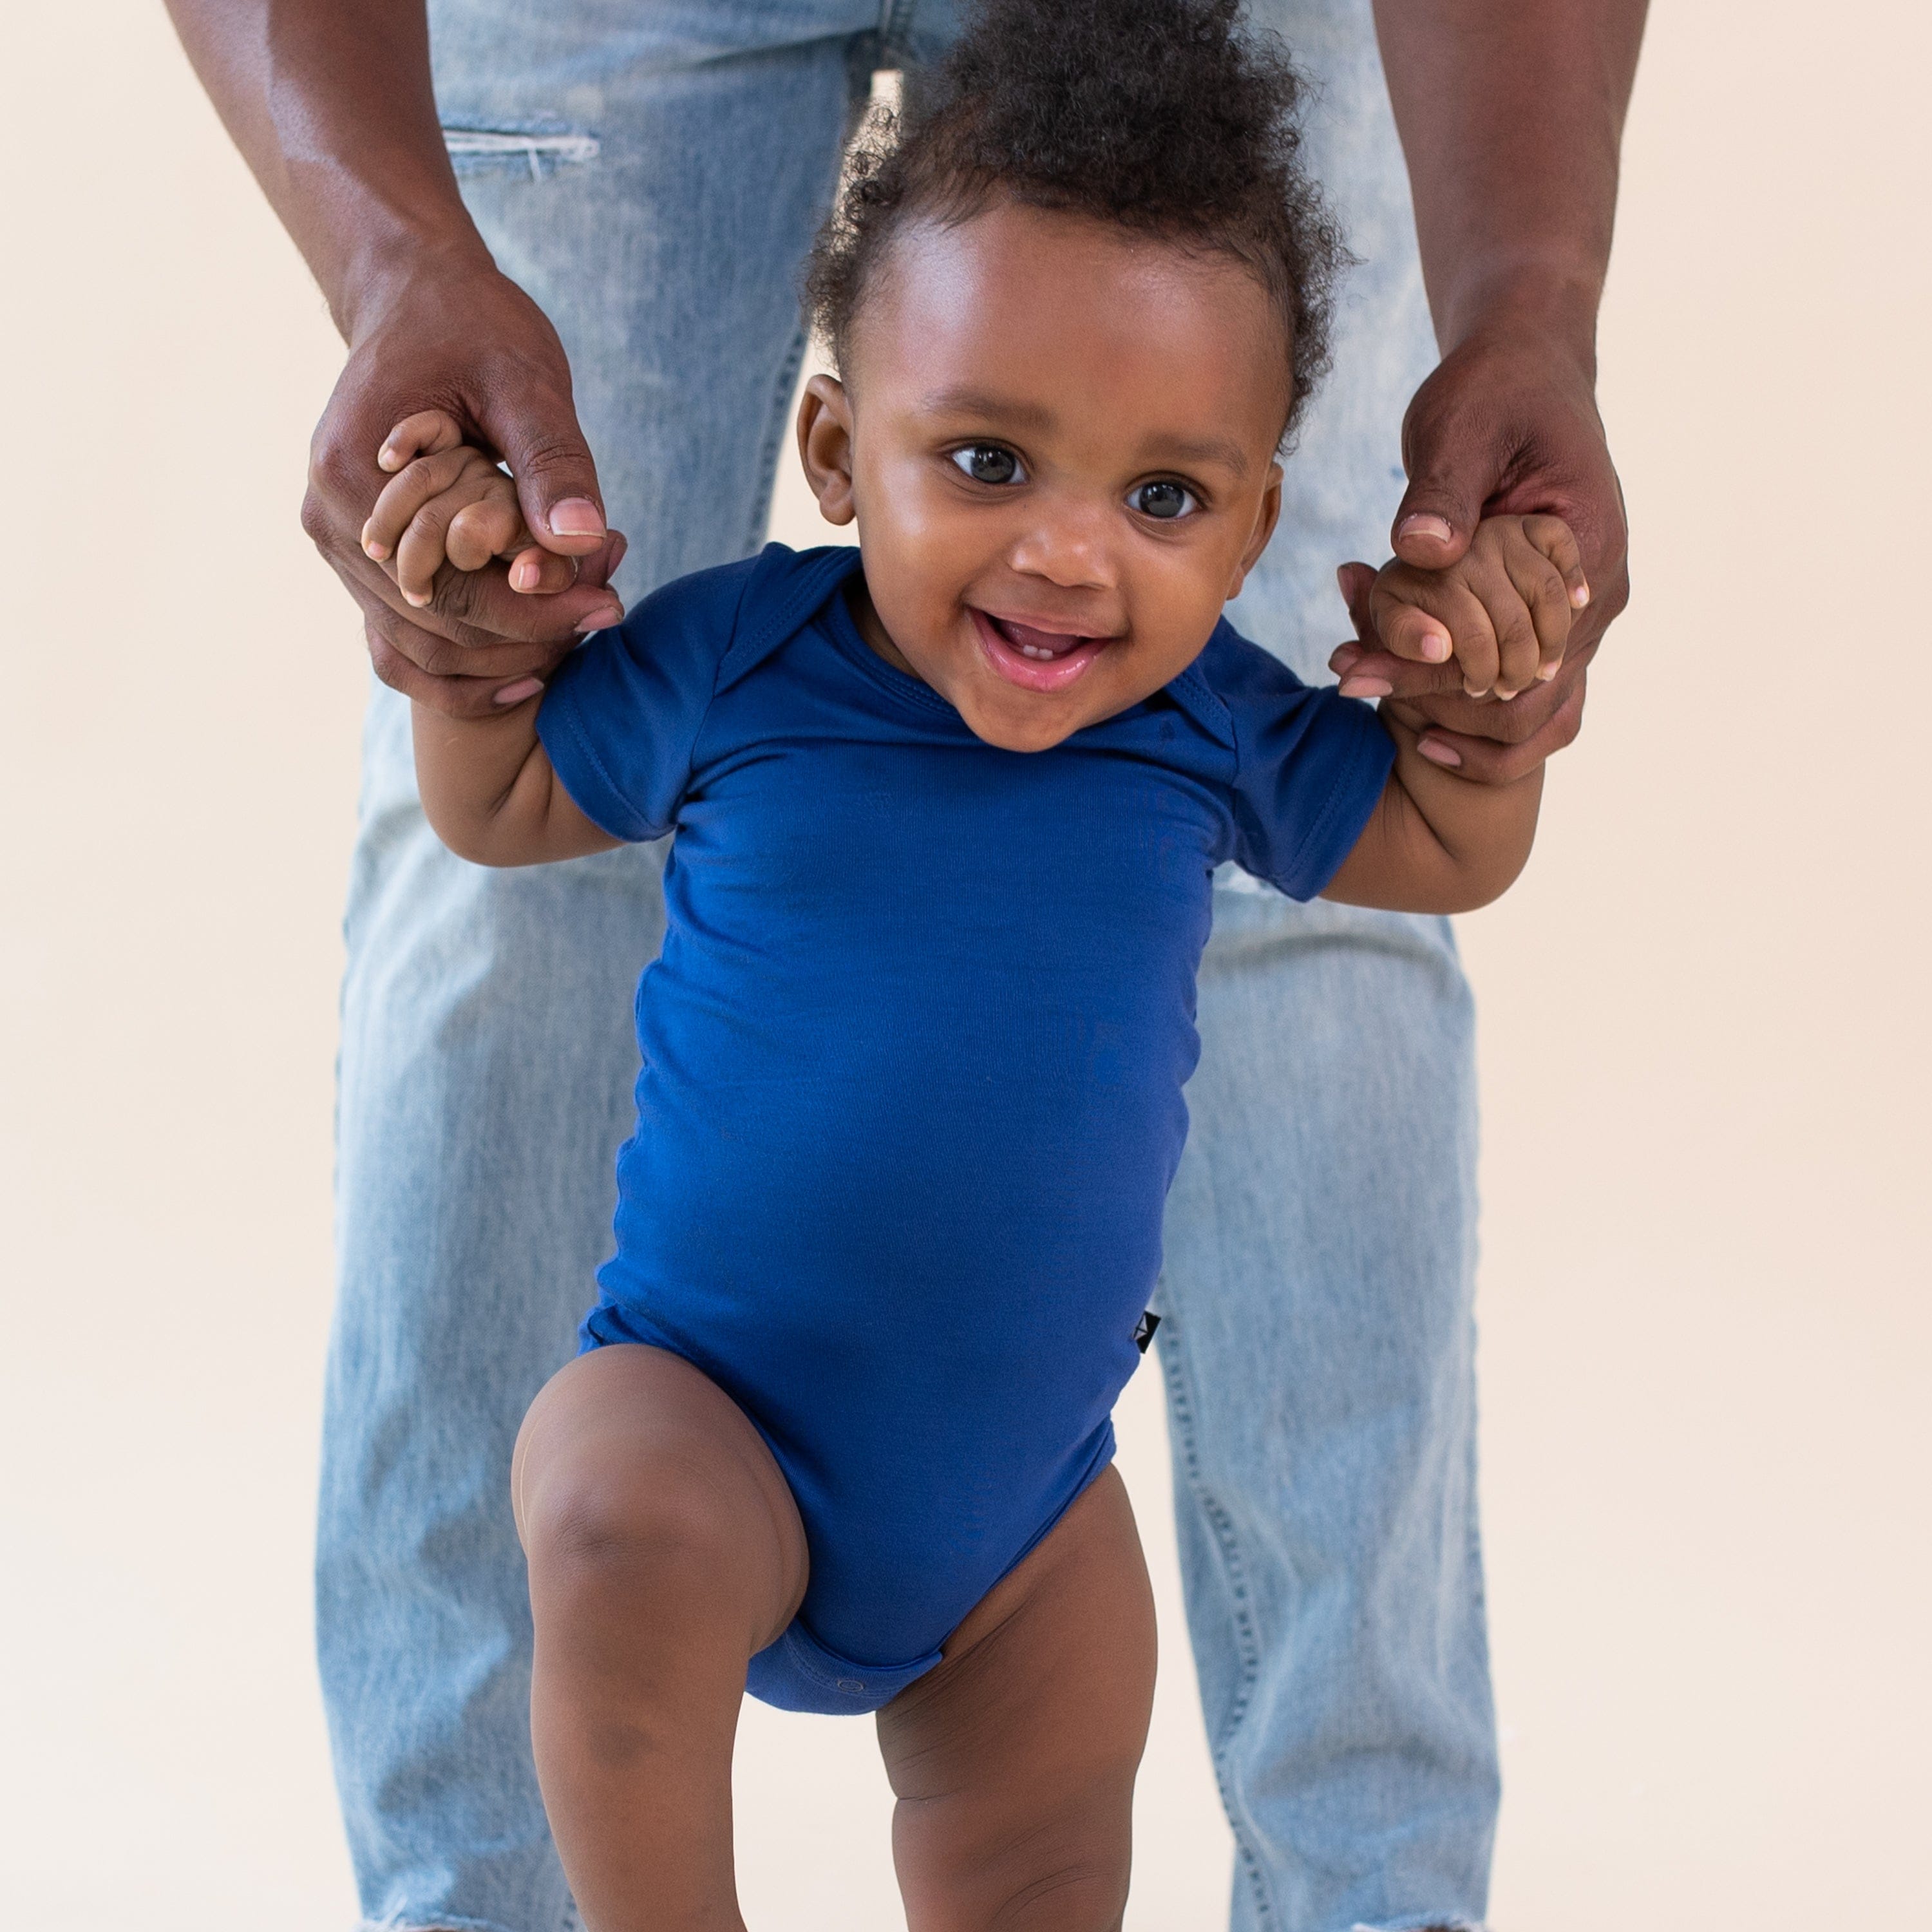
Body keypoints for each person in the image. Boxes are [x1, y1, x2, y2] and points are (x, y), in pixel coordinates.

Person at [163, 0, 1643, 1922]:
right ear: (841, 449)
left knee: (1033, 1846)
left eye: (1167, 500)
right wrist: (476, 634)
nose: (1069, 558)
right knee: (600, 1493)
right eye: (989, 462)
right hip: (709, 1431)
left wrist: (1486, 709)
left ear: (1266, 518)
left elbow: (1439, 851)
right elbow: (511, 804)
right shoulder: (736, 662)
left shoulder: (1220, 723)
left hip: (1017, 1527)